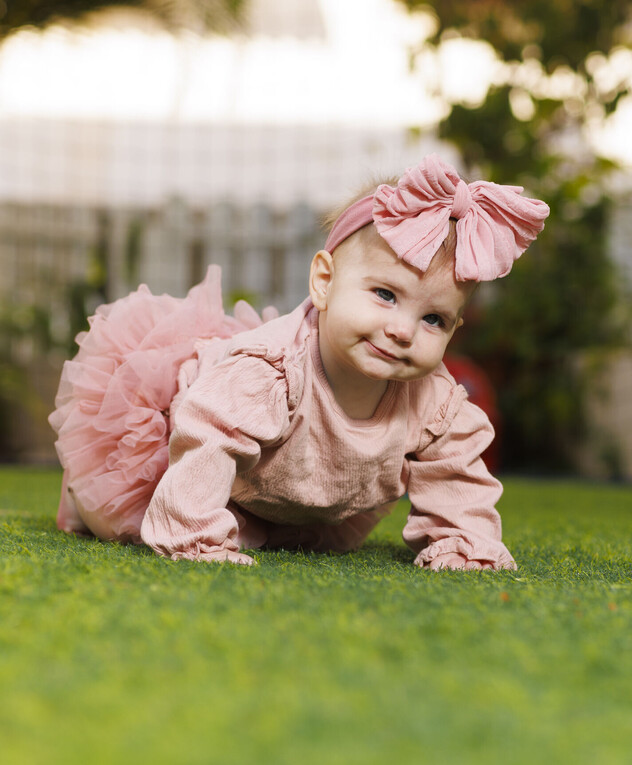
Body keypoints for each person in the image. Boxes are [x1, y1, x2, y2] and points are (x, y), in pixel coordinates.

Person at [49, 154, 550, 570]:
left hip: (281, 489)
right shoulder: (270, 372)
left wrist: (462, 543)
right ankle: (82, 497)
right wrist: (195, 534)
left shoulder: (435, 404)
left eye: (434, 319)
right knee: (120, 518)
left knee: (271, 534)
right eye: (384, 294)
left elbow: (456, 473)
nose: (402, 330)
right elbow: (208, 438)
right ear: (323, 282)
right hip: (180, 445)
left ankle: (246, 516)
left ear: (455, 329)